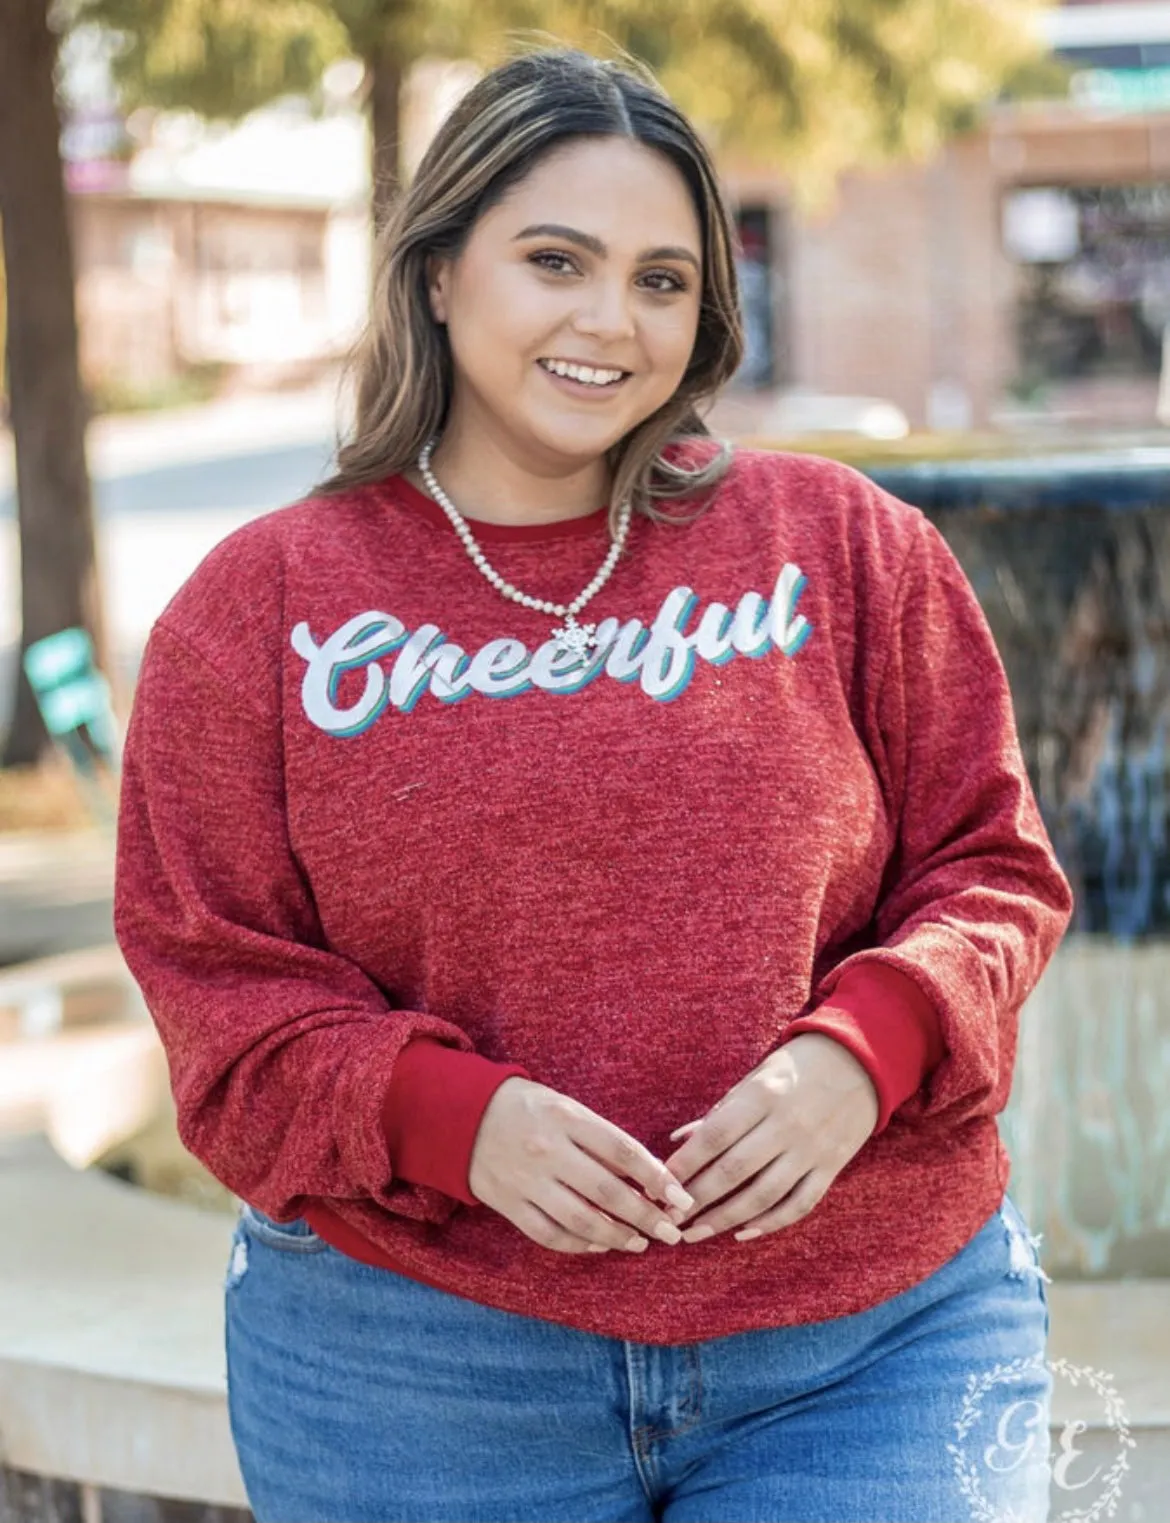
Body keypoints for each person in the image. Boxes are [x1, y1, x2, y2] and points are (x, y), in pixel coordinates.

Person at [112, 44, 1074, 1523]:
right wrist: (445, 1115)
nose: (607, 323)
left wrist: (862, 1050)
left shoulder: (846, 545)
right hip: (416, 1366)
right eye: (553, 260)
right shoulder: (262, 610)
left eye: (660, 279)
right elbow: (216, 992)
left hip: (869, 1341)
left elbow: (992, 870)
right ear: (436, 272)